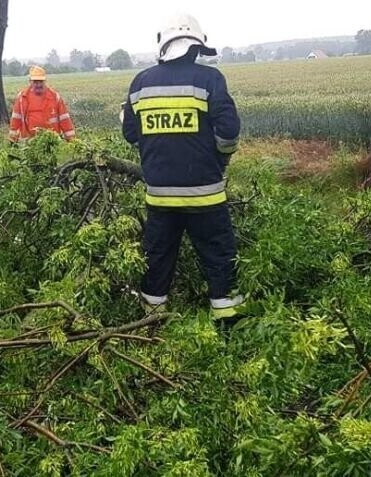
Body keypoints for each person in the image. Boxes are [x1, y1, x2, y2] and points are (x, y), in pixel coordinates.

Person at [121, 14, 244, 319]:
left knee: (157, 259)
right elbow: (228, 133)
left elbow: (130, 134)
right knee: (220, 258)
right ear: (196, 47)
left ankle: (152, 323)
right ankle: (229, 327)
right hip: (206, 197)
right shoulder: (209, 80)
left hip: (160, 198)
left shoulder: (140, 83)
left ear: (163, 46)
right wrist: (221, 160)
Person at [9, 65, 76, 142]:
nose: (38, 85)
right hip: (28, 143)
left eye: (41, 81)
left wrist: (72, 141)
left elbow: (65, 120)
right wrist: (12, 141)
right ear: (30, 82)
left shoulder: (54, 97)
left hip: (51, 141)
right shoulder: (22, 97)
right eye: (35, 82)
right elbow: (15, 120)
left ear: (45, 81)